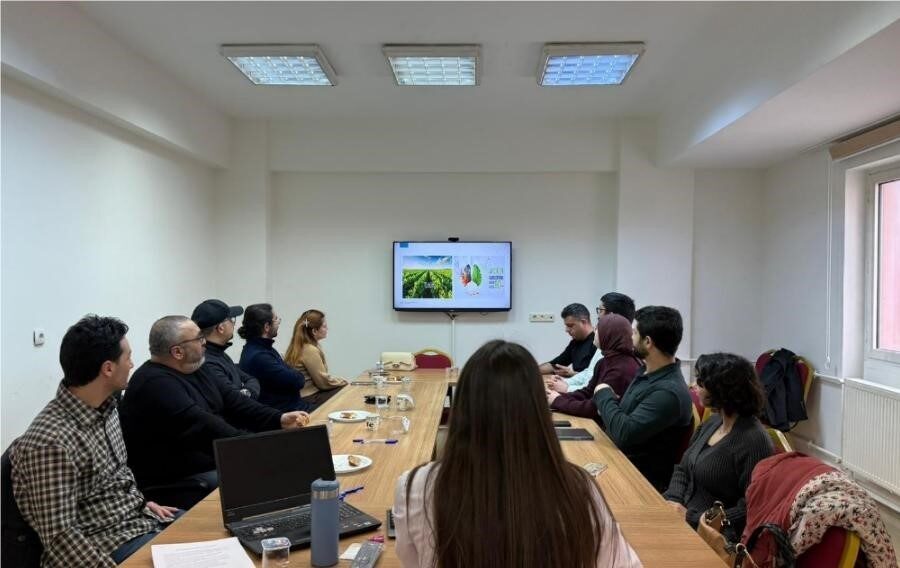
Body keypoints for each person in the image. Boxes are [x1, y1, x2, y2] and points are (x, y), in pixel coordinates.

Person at [393, 340, 641, 568]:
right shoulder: (578, 488)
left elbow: (412, 561)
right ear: (539, 409)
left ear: (463, 407)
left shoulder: (414, 486)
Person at [10, 315, 179, 566]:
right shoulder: (50, 443)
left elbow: (116, 476)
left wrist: (141, 505)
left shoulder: (106, 407)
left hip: (138, 522)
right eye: (128, 357)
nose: (132, 364)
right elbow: (61, 540)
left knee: (217, 537)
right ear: (108, 368)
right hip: (106, 547)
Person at [119, 316, 309, 509]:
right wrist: (266, 449)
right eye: (199, 338)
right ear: (177, 352)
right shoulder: (154, 384)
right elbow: (207, 428)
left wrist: (279, 418)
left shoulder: (196, 367)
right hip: (180, 480)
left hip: (208, 462)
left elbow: (236, 402)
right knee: (270, 479)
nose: (204, 343)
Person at [664, 353, 773, 537]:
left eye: (701, 383)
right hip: (682, 517)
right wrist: (673, 500)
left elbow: (750, 508)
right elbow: (682, 469)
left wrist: (692, 518)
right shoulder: (713, 422)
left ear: (721, 390)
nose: (694, 386)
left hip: (710, 534)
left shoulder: (754, 442)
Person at [593, 305, 693, 492]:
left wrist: (603, 393)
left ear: (647, 342)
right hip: (618, 462)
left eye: (634, 333)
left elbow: (624, 433)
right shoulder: (646, 371)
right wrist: (611, 406)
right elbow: (624, 415)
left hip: (638, 482)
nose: (630, 337)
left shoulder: (668, 392)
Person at [547, 314, 640, 419]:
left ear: (608, 335)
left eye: (598, 329)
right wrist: (556, 396)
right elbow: (587, 392)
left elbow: (594, 408)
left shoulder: (621, 368)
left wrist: (558, 401)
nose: (594, 332)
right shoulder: (604, 361)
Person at [546, 292, 636, 393]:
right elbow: (589, 374)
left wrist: (566, 388)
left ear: (611, 316)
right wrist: (566, 382)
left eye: (600, 310)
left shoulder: (621, 356)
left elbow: (593, 391)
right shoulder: (605, 344)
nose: (598, 316)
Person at [238, 303, 311, 412]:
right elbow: (298, 381)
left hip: (292, 408)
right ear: (266, 327)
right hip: (287, 414)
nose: (279, 322)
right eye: (276, 319)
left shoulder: (261, 349)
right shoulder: (260, 357)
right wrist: (293, 371)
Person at [191, 298, 261, 399]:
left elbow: (251, 379)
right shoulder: (208, 362)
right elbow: (236, 400)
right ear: (221, 328)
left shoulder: (219, 353)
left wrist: (245, 391)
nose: (233, 324)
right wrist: (247, 393)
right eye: (231, 320)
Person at [284, 309, 348, 407]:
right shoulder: (309, 350)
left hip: (303, 396)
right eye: (324, 326)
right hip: (310, 397)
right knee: (347, 391)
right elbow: (323, 383)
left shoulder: (299, 346)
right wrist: (344, 382)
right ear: (314, 331)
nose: (327, 329)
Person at [538, 303, 597, 377]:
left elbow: (599, 377)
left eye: (570, 326)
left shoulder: (599, 342)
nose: (567, 330)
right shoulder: (575, 342)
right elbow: (555, 365)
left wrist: (572, 374)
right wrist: (531, 370)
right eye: (566, 326)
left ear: (583, 322)